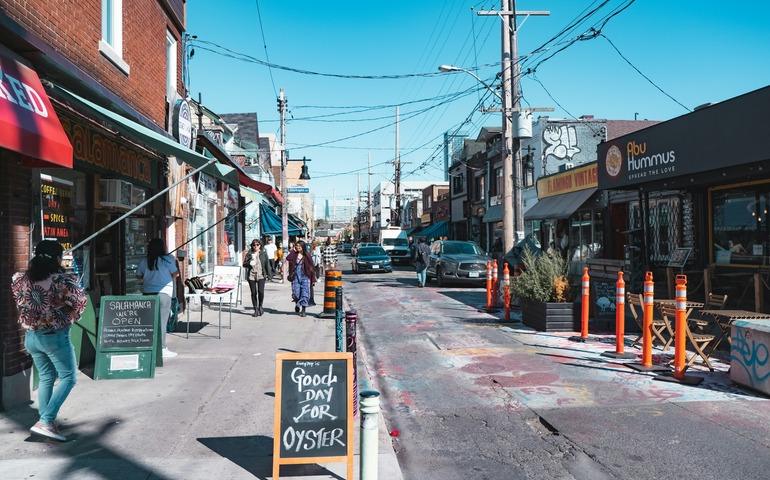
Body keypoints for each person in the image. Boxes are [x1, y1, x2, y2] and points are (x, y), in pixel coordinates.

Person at [11, 240, 87, 442]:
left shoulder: (19, 279)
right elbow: (80, 302)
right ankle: (45, 421)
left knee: (46, 377)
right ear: (57, 258)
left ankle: (47, 424)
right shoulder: (62, 279)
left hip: (31, 337)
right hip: (54, 337)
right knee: (69, 377)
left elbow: (22, 302)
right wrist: (71, 314)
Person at [137, 238, 179, 359]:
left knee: (149, 322)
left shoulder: (144, 261)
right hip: (164, 294)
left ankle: (148, 345)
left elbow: (139, 276)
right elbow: (176, 274)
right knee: (162, 322)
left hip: (148, 293)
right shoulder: (168, 259)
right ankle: (161, 348)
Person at [286, 241, 316, 317]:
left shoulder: (307, 255)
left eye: (299, 246)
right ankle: (297, 303)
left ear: (303, 247)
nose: (298, 247)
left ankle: (303, 310)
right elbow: (288, 258)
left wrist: (313, 279)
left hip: (305, 276)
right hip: (296, 276)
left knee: (305, 293)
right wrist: (293, 250)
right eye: (296, 246)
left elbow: (311, 268)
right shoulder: (294, 254)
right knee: (296, 293)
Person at [243, 239, 270, 317]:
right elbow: (244, 264)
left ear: (260, 245)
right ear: (252, 246)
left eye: (257, 245)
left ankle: (260, 306)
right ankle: (255, 309)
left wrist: (269, 275)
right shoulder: (249, 254)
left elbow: (267, 264)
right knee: (253, 293)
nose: (256, 246)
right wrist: (249, 262)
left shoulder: (263, 254)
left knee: (261, 292)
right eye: (254, 245)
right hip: (251, 275)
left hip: (261, 275)